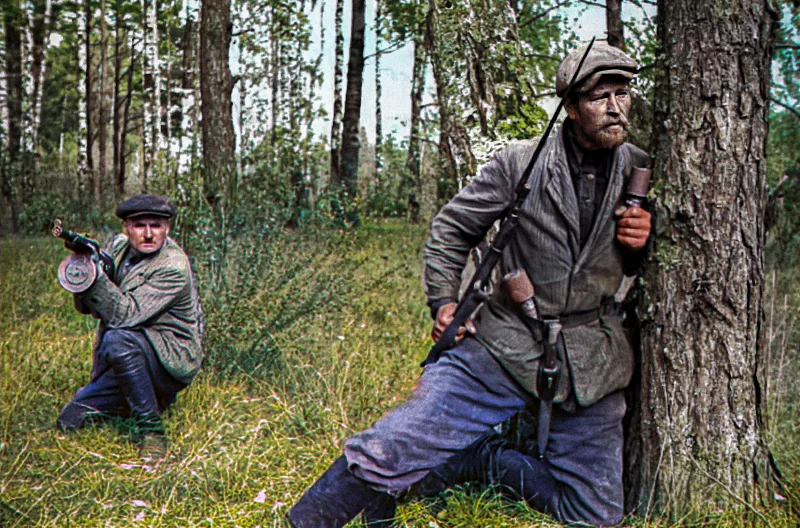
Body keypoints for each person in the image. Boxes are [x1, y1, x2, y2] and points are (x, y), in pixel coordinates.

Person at [287, 41, 652, 527]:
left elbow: (643, 264)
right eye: (598, 96)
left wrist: (640, 242)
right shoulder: (521, 162)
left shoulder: (638, 169)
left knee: (597, 516)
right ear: (569, 107)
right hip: (507, 339)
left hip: (592, 356)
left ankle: (485, 460)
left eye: (622, 93)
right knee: (392, 446)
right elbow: (451, 229)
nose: (614, 107)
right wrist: (443, 300)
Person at [57, 194, 202, 461]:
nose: (148, 234)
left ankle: (152, 430)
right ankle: (146, 396)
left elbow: (124, 315)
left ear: (167, 228)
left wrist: (96, 276)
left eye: (156, 225)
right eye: (139, 225)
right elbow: (87, 308)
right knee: (70, 418)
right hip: (133, 353)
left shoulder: (173, 266)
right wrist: (85, 263)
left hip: (168, 359)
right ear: (126, 228)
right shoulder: (120, 248)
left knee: (118, 339)